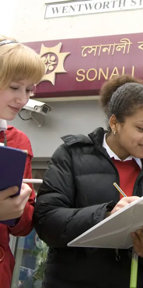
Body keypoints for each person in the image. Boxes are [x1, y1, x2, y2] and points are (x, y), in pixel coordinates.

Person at [33, 75, 143, 288]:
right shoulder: (72, 155)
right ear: (115, 123)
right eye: (142, 128)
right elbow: (46, 221)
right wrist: (106, 215)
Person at [0, 35, 45, 288]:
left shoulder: (19, 141)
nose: (23, 99)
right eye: (15, 87)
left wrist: (18, 212)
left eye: (29, 90)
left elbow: (25, 224)